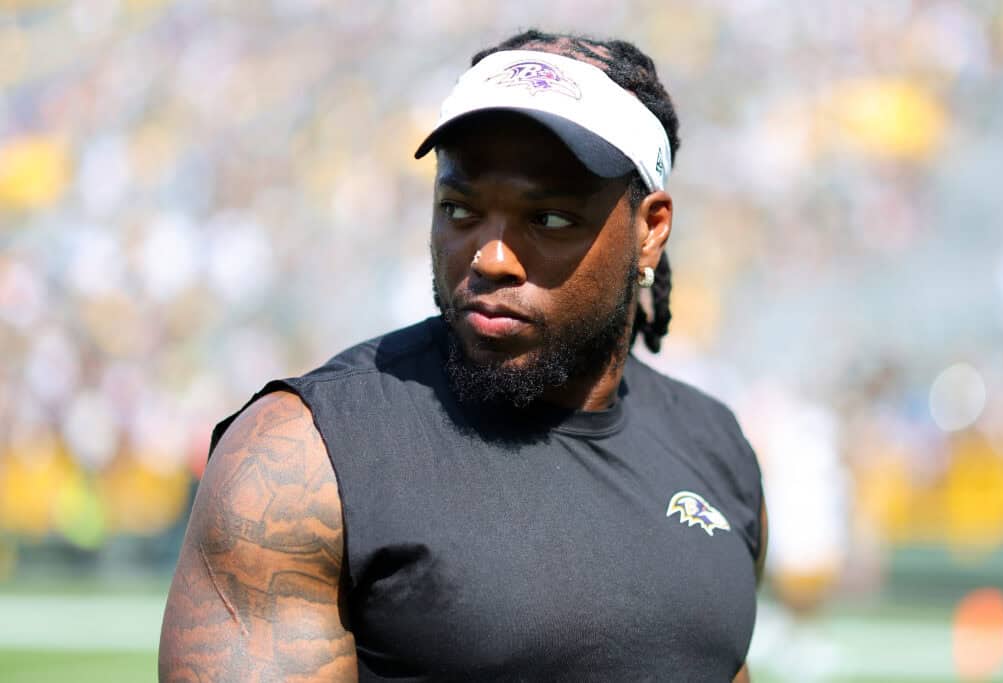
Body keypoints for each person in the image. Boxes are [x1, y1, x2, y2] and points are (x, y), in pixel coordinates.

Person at [159, 30, 767, 682]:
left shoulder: (715, 449)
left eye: (550, 219)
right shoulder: (301, 456)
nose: (490, 257)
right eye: (459, 209)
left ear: (651, 231)